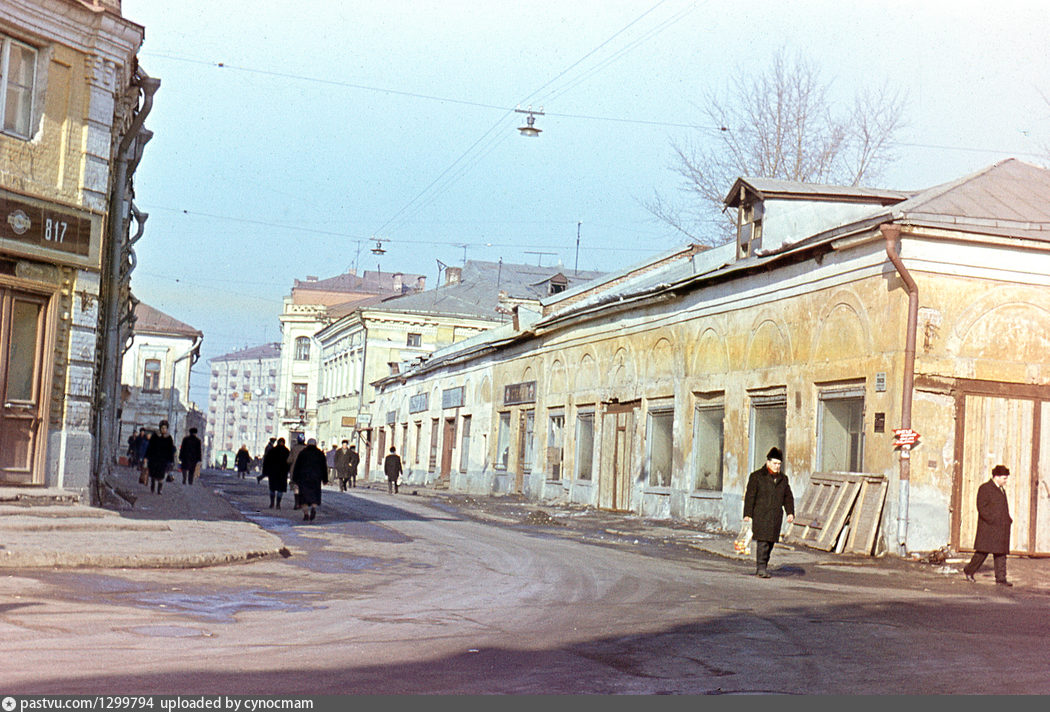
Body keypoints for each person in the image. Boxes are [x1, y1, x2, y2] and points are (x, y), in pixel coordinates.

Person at [742, 446, 794, 578]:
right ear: (768, 462)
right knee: (763, 541)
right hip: (761, 514)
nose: (777, 466)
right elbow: (750, 496)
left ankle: (763, 565)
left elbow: (788, 496)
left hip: (775, 515)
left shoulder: (783, 479)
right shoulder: (757, 476)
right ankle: (761, 568)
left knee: (770, 542)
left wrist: (790, 512)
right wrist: (747, 514)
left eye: (779, 464)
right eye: (775, 463)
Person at [963, 464, 1014, 586]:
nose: (1005, 481)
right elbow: (982, 508)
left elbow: (1003, 508)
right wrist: (993, 520)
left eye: (1006, 478)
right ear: (996, 477)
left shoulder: (1001, 489)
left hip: (1001, 527)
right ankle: (969, 571)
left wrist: (1008, 519)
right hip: (989, 528)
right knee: (982, 552)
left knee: (1001, 553)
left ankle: (1001, 579)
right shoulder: (985, 488)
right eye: (1004, 478)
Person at [292, 438, 328, 521]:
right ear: (315, 444)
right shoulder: (320, 454)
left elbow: (297, 466)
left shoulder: (303, 453)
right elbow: (324, 467)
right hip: (316, 479)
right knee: (314, 496)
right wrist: (325, 479)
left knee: (304, 497)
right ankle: (313, 508)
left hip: (304, 478)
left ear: (307, 444)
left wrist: (295, 478)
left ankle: (306, 514)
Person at [143, 420, 175, 495]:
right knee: (153, 474)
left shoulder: (169, 437)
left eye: (165, 428)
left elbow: (171, 450)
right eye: (162, 428)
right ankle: (153, 485)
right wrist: (146, 457)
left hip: (163, 460)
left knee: (161, 475)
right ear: (160, 428)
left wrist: (171, 461)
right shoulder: (155, 436)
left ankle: (159, 489)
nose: (164, 430)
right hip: (154, 458)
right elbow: (150, 447)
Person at [260, 437, 291, 509]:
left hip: (273, 473)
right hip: (282, 473)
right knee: (280, 489)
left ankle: (272, 503)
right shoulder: (286, 451)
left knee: (272, 488)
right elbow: (289, 462)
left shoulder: (272, 451)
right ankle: (278, 504)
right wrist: (288, 470)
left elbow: (267, 461)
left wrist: (265, 472)